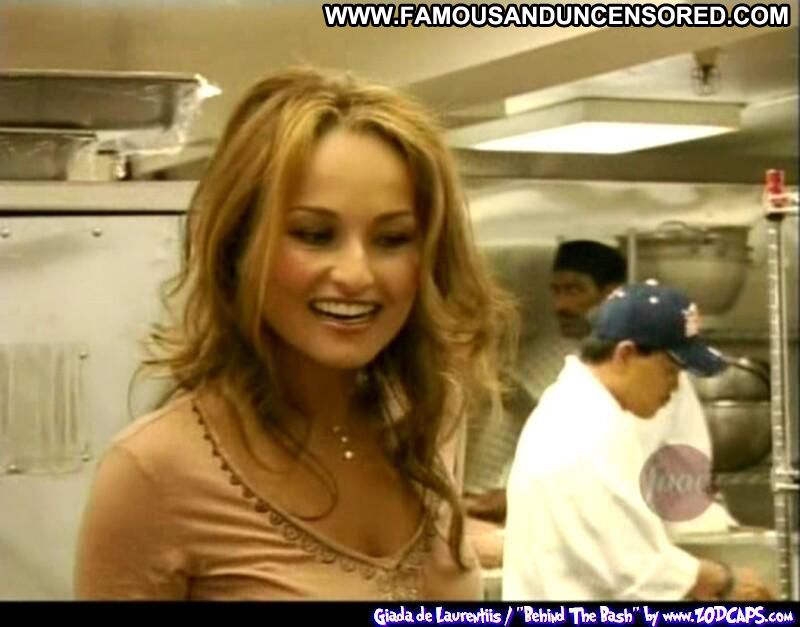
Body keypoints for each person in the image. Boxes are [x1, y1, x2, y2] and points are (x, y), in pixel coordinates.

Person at [73, 67, 518, 600]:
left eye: (393, 239)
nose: (356, 274)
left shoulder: (431, 418)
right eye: (314, 234)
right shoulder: (153, 473)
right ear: (238, 244)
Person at [502, 283, 774, 601]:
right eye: (669, 371)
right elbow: (631, 571)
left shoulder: (577, 407)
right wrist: (720, 580)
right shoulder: (588, 429)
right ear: (625, 355)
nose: (675, 388)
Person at [464, 240, 731, 530]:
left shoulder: (647, 382)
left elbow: (662, 487)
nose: (561, 305)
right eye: (556, 291)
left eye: (574, 290)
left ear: (610, 294)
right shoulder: (580, 395)